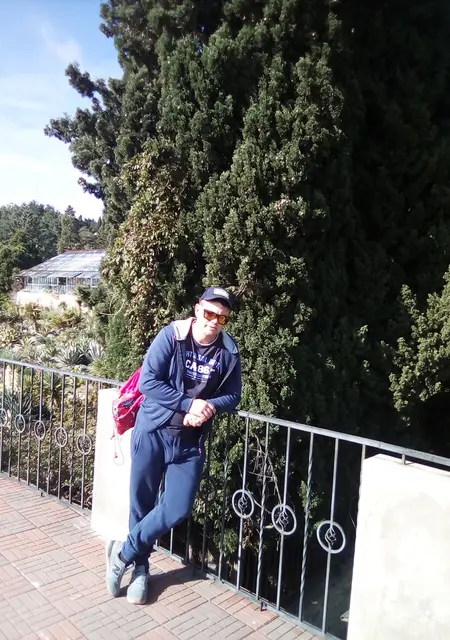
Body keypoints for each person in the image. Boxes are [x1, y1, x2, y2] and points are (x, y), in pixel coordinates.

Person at [106, 286, 242, 604]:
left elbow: (233, 395)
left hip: (189, 442)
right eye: (209, 313)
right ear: (197, 309)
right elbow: (148, 381)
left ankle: (123, 553)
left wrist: (209, 407)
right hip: (153, 431)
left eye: (222, 318)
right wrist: (188, 404)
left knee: (177, 507)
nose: (214, 321)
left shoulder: (228, 352)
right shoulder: (173, 336)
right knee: (141, 502)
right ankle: (141, 569)